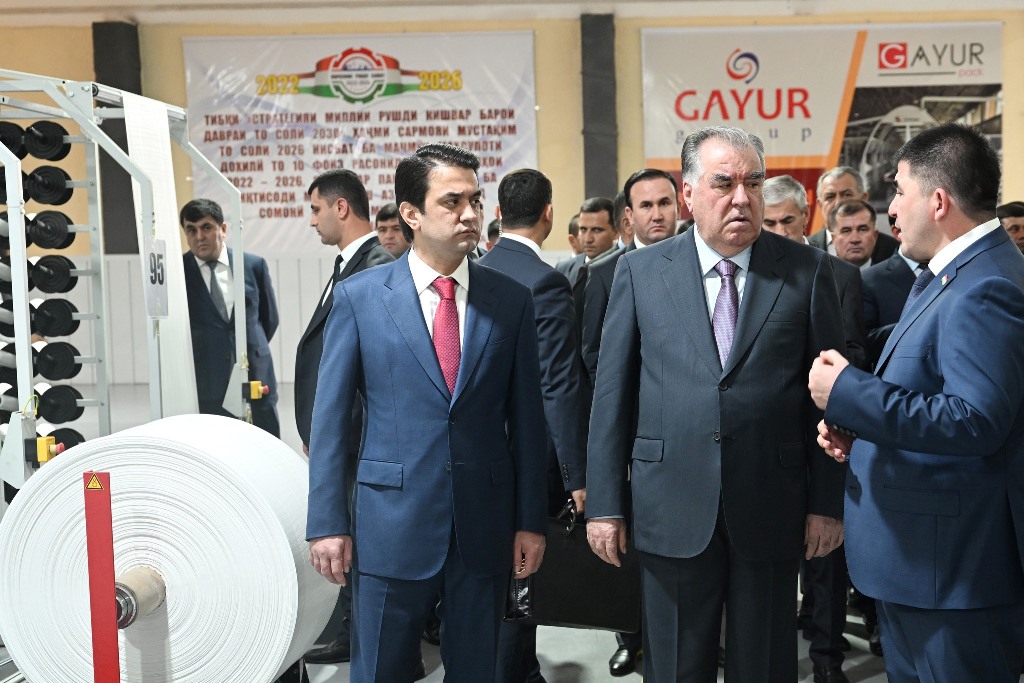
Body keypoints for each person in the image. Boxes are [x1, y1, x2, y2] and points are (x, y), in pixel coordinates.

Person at [586, 126, 846, 683]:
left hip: (771, 505)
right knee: (677, 666)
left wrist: (827, 503)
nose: (742, 198)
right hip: (670, 505)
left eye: (753, 183)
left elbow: (827, 402)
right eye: (724, 183)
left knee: (766, 665)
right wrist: (605, 504)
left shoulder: (807, 270)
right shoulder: (639, 272)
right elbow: (612, 396)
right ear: (689, 194)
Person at [306, 143, 548, 683]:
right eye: (452, 201)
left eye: (475, 201)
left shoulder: (510, 300)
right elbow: (331, 422)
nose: (469, 214)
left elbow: (529, 423)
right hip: (389, 523)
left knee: (478, 671)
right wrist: (327, 523)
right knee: (381, 670)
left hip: (483, 524)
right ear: (411, 213)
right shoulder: (361, 297)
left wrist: (530, 521)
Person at [809, 123, 1024, 683]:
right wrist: (860, 424)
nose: (890, 209)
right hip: (923, 570)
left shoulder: (985, 286)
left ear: (938, 201)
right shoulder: (954, 275)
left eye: (899, 191)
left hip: (953, 577)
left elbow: (975, 420)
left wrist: (847, 392)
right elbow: (929, 389)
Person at [479, 168, 588, 683]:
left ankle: (521, 671)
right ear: (549, 213)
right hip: (526, 461)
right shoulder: (546, 281)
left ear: (499, 213)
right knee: (521, 583)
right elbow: (558, 385)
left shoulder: (471, 271)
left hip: (475, 456)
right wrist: (576, 474)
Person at [762, 175, 867, 681]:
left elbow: (854, 353)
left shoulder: (839, 274)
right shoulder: (746, 276)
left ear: (807, 217)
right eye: (770, 223)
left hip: (824, 433)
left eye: (788, 220)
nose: (780, 231)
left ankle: (827, 659)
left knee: (825, 559)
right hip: (767, 442)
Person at [295, 169, 393, 667]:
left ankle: (370, 638)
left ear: (340, 207)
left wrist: (335, 435)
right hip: (344, 437)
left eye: (316, 210)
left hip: (358, 439)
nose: (312, 221)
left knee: (362, 543)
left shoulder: (375, 268)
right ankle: (358, 632)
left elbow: (371, 370)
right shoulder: (348, 265)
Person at [179, 198, 280, 436]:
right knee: (216, 444)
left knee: (266, 443)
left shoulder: (253, 265)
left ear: (223, 229)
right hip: (207, 380)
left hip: (256, 374)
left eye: (206, 227)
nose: (199, 236)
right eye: (191, 230)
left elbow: (269, 319)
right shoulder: (179, 272)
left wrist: (247, 347)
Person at [808, 166, 897, 263]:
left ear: (863, 199)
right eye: (830, 197)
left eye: (846, 195)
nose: (838, 203)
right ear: (820, 204)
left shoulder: (894, 250)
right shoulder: (806, 249)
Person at [829, 200, 879, 269]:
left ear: (875, 236)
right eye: (846, 231)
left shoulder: (891, 275)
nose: (855, 239)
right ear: (833, 239)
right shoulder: (819, 275)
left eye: (862, 230)